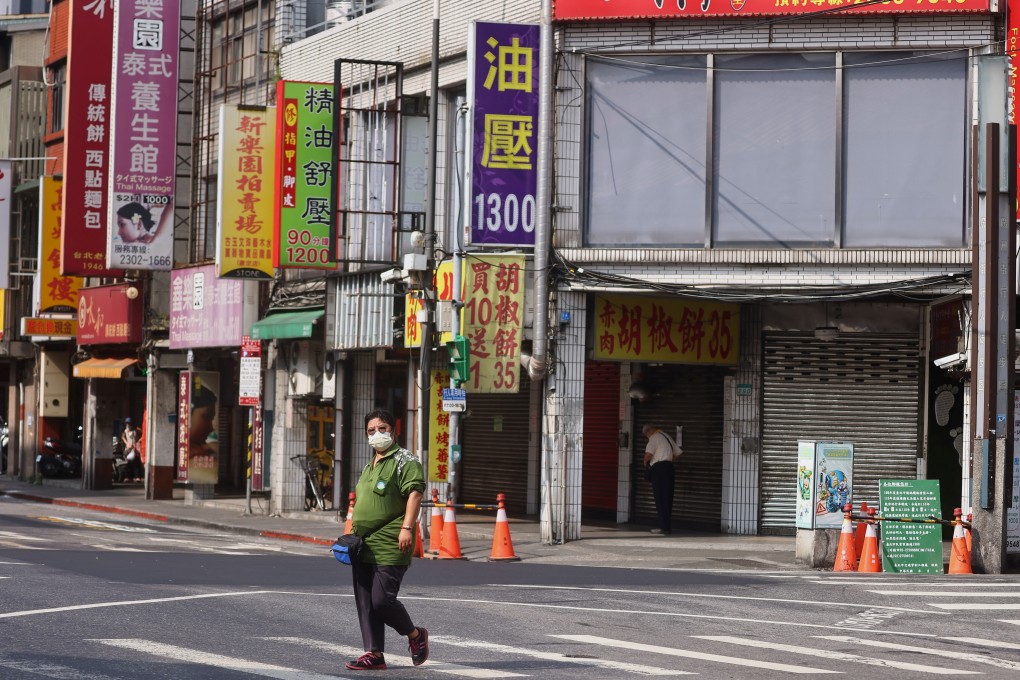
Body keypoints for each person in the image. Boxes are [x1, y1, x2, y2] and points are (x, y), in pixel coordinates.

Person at [344, 408, 429, 671]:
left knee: (382, 600)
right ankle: (374, 653)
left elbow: (414, 494)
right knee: (366, 601)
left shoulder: (405, 460)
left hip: (392, 541)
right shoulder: (371, 464)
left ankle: (415, 635)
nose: (377, 434)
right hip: (362, 543)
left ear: (394, 430)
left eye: (382, 429)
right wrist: (349, 533)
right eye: (371, 431)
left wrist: (407, 527)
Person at [643, 423, 682, 535]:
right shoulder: (666, 436)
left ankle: (663, 527)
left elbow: (648, 455)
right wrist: (667, 459)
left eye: (646, 435)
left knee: (660, 498)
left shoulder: (654, 438)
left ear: (648, 432)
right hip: (669, 468)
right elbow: (678, 452)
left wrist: (645, 464)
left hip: (659, 470)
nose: (647, 437)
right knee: (667, 498)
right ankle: (666, 527)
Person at [120, 417, 143, 482]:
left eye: (129, 423)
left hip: (135, 448)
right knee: (128, 463)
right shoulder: (125, 431)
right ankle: (129, 477)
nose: (128, 425)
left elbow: (144, 434)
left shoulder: (136, 429)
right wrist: (127, 443)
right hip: (128, 449)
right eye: (127, 423)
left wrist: (139, 441)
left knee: (136, 463)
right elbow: (122, 437)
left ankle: (138, 477)